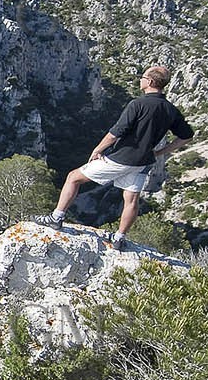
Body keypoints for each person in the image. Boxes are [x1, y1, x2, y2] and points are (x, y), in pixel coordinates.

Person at [46, 65, 194, 250]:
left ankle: (56, 218)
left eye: (143, 77)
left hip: (122, 157)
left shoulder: (138, 104)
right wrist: (159, 152)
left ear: (149, 82)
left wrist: (97, 149)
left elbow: (116, 132)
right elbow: (187, 135)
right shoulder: (170, 110)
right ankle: (118, 238)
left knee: (73, 178)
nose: (140, 80)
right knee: (131, 200)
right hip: (143, 162)